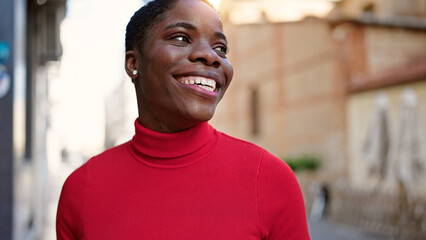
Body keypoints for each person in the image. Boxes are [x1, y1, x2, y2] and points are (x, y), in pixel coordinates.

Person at [56, 0, 311, 239]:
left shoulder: (269, 180)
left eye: (220, 48)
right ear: (133, 62)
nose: (211, 56)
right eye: (180, 37)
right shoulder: (83, 190)